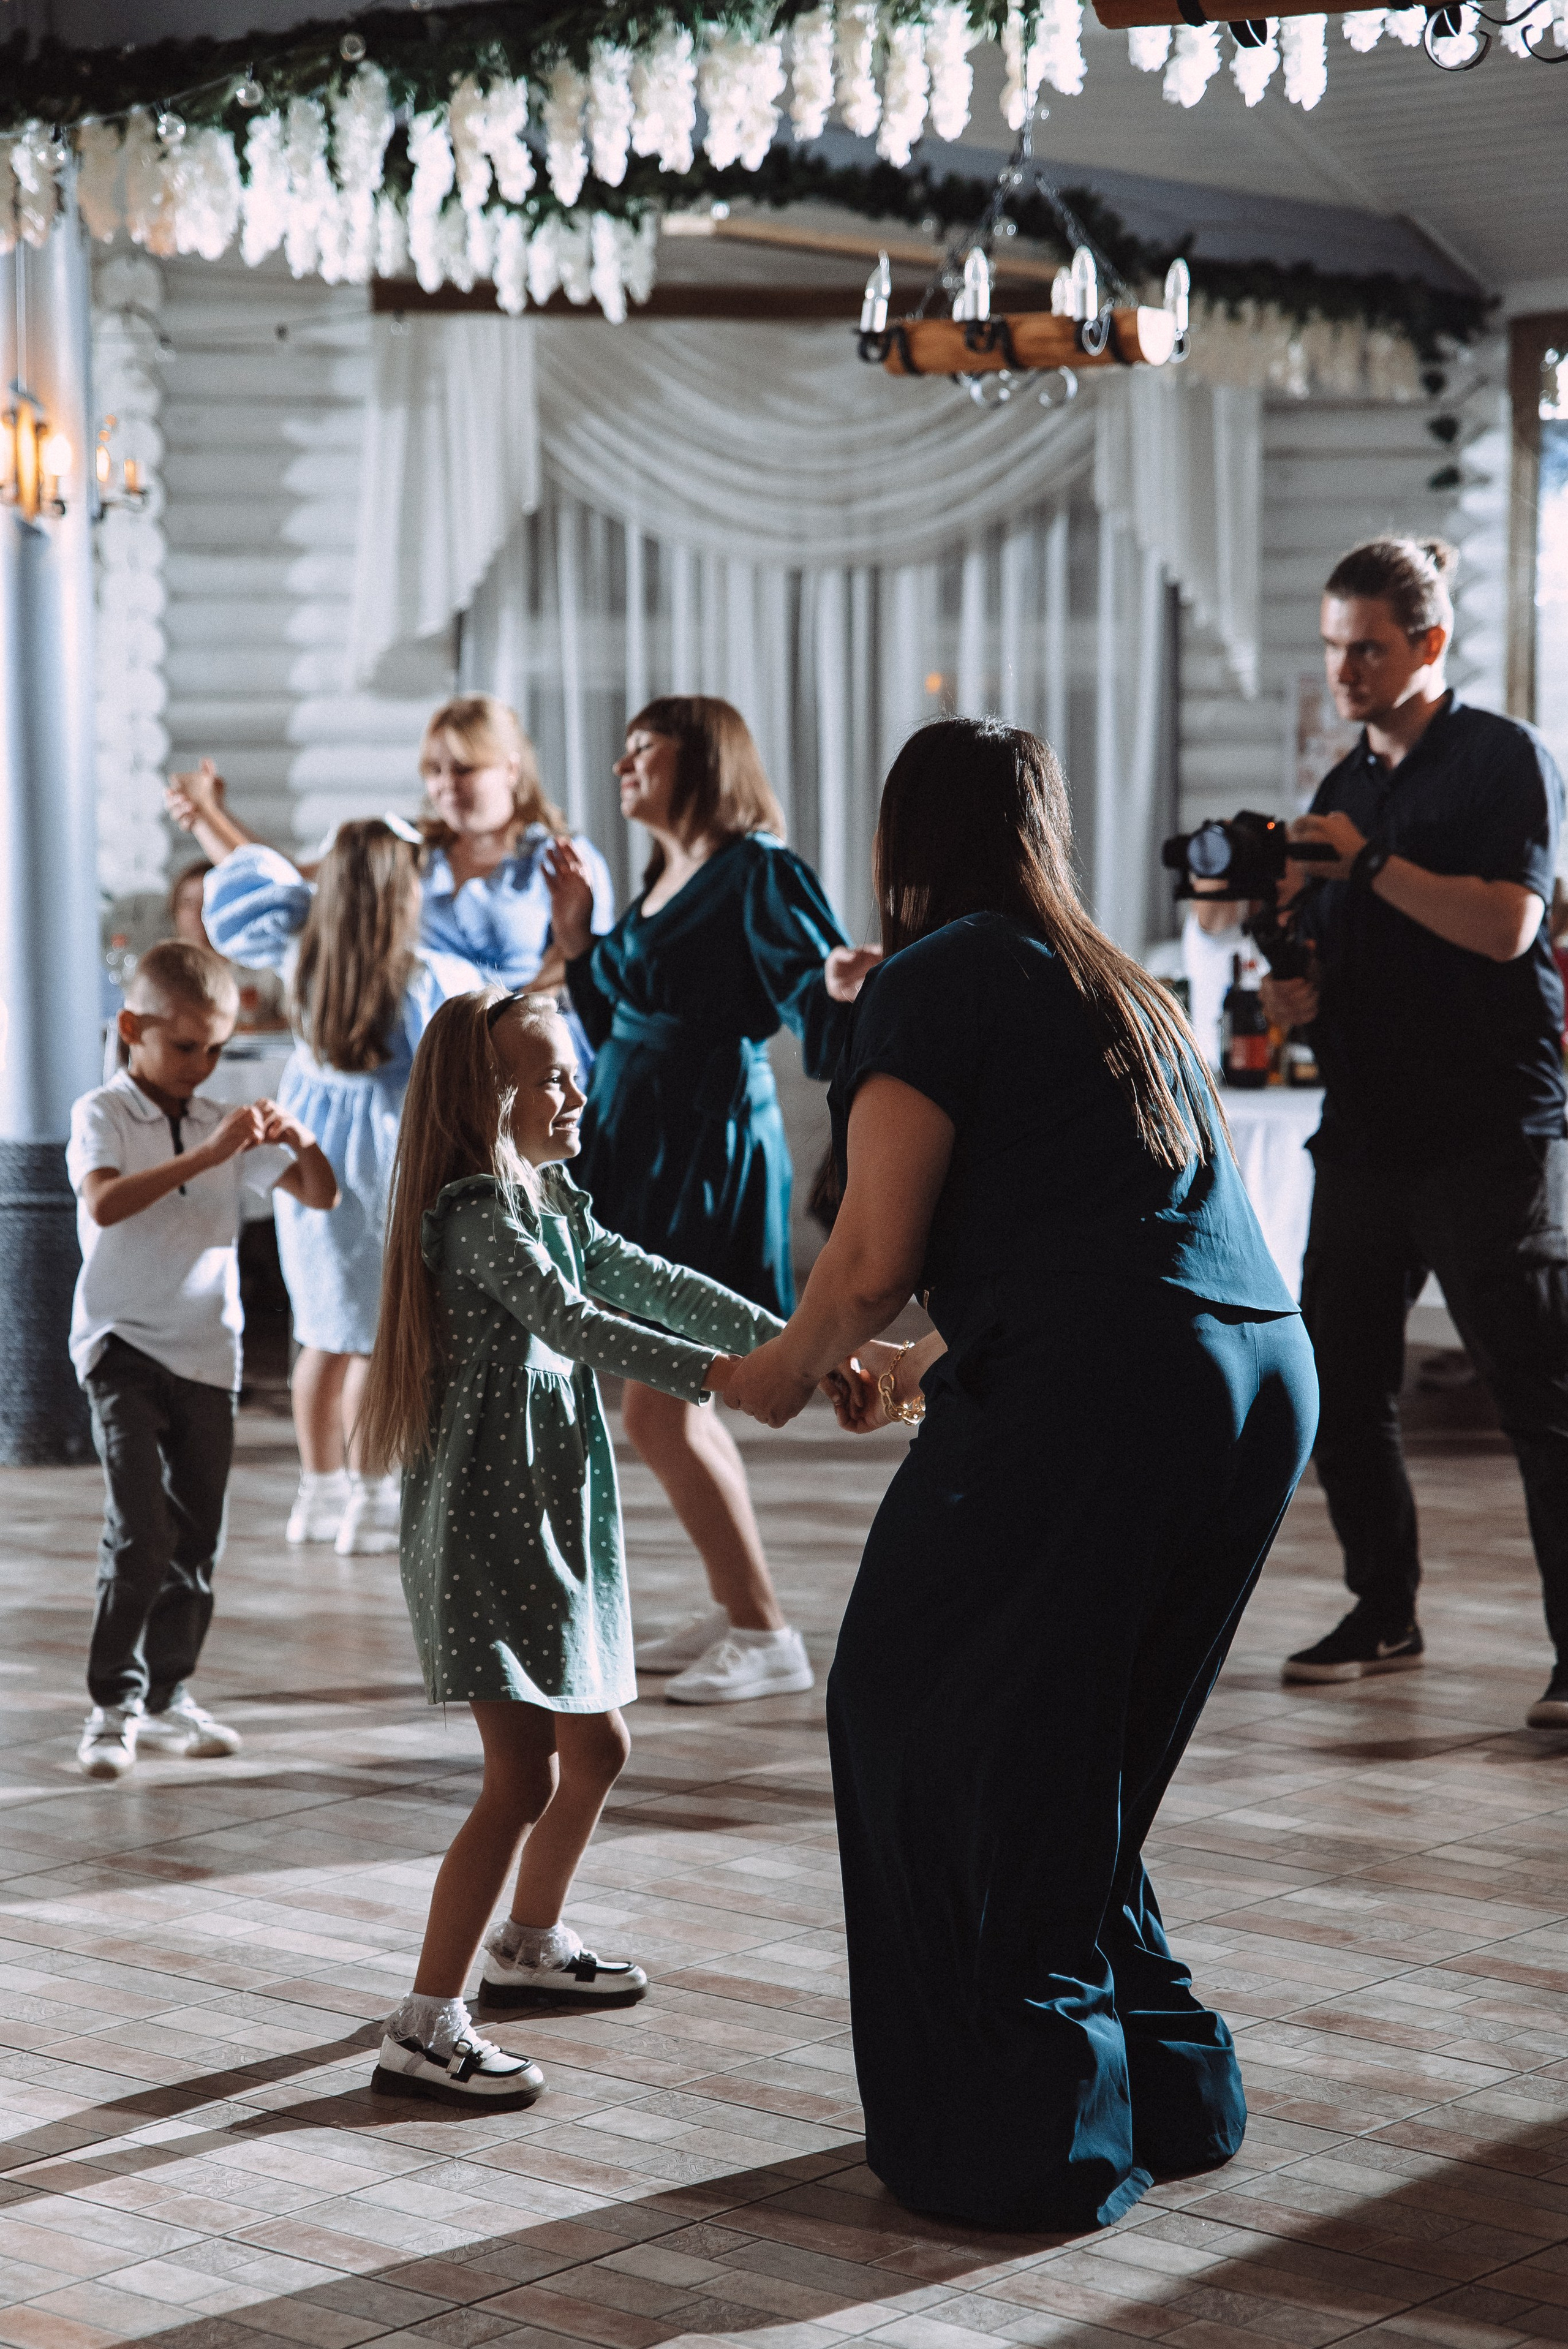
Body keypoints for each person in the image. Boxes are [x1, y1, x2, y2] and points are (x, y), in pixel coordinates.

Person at [723, 718, 1317, 2231]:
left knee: (921, 1711)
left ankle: (1027, 2132)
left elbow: (869, 1255)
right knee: (1081, 1736)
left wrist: (775, 1374)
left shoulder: (931, 978)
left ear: (895, 842)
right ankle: (1171, 2084)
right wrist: (929, 1367)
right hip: (1250, 1372)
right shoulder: (1112, 975)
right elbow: (1117, 1226)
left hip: (1105, 1385)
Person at [356, 989, 785, 2107]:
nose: (576, 1090)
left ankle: (528, 1943)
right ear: (484, 1097)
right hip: (490, 1533)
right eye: (548, 1075)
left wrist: (793, 1343)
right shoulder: (476, 1213)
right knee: (521, 1776)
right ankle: (424, 2022)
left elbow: (647, 1280)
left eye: (570, 1068)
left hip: (553, 1517)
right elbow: (579, 1324)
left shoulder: (548, 1195)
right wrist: (729, 1379)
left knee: (596, 1753)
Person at [1261, 539, 1568, 1723]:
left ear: (1429, 645)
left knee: (1535, 1394)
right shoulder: (1343, 789)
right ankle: (1382, 1609)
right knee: (1339, 1384)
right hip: (1368, 1127)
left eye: (1368, 649)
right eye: (1334, 647)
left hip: (1491, 1124)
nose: (1344, 669)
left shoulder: (1503, 758)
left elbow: (1507, 928)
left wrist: (1372, 862)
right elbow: (1354, 962)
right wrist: (1301, 994)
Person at [545, 696, 879, 1705]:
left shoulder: (757, 868)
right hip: (639, 1146)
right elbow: (617, 1012)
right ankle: (742, 1609)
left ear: (706, 758)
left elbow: (815, 998)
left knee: (664, 1410)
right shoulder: (663, 878)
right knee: (669, 1407)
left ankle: (765, 1629)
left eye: (645, 747)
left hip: (704, 1153)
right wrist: (576, 938)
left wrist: (848, 987)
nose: (623, 765)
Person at [67, 941, 338, 1781]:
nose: (203, 1063)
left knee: (197, 1538)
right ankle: (110, 1703)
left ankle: (168, 1696)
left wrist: (301, 1139)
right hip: (120, 1343)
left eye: (217, 1047)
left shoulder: (222, 1112)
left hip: (209, 1355)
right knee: (141, 1530)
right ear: (131, 1028)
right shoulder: (101, 1112)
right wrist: (213, 1154)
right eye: (185, 1046)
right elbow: (106, 1202)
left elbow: (321, 1194)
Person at [197, 821, 484, 1556]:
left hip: (312, 1146)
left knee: (322, 1334)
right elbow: (456, 1075)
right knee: (380, 1338)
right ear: (403, 893)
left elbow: (239, 889)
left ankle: (316, 1493)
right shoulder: (426, 978)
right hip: (392, 1153)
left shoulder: (300, 954)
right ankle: (370, 1495)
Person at [168, 857, 288, 1033]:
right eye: (188, 903)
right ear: (175, 911)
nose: (197, 913)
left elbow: (293, 1020)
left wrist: (249, 1032)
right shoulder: (162, 971)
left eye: (206, 903)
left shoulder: (263, 962)